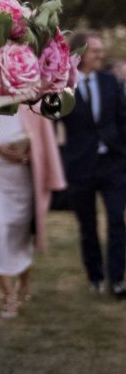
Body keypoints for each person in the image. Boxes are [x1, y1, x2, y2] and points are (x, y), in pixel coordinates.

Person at [0, 106, 66, 317]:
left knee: (21, 236)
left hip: (23, 183)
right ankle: (8, 295)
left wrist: (28, 152)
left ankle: (24, 283)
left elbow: (45, 143)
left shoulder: (32, 107)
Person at [60, 31, 126, 298]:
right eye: (94, 51)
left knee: (116, 221)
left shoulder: (110, 81)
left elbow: (122, 118)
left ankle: (118, 280)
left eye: (100, 50)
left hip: (112, 163)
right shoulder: (64, 86)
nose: (100, 55)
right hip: (80, 165)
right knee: (87, 226)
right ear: (79, 55)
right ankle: (96, 276)